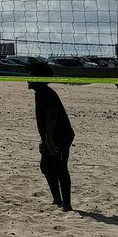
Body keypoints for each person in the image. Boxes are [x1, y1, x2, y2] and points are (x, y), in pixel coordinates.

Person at [28, 66, 74, 210]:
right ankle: (57, 199)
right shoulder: (40, 92)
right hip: (52, 135)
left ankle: (67, 205)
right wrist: (44, 139)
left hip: (61, 136)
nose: (27, 78)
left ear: (38, 79)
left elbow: (52, 115)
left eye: (30, 75)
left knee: (60, 168)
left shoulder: (46, 93)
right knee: (46, 166)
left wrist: (48, 139)